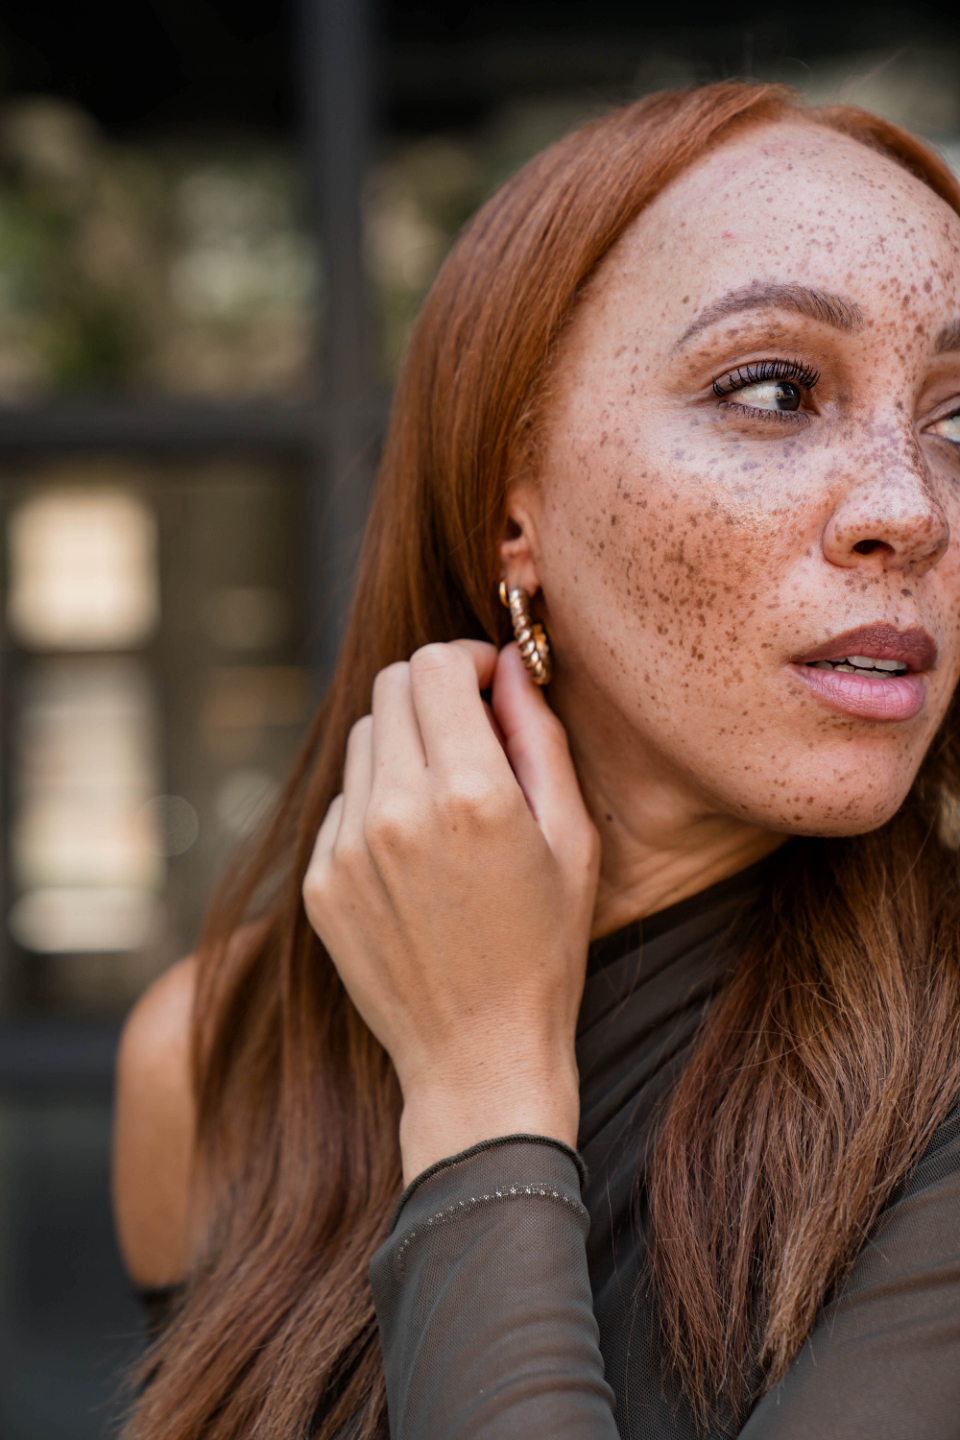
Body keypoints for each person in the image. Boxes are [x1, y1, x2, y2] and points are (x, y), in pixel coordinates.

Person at [112, 81, 960, 1439]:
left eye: (959, 421)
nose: (910, 509)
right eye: (773, 389)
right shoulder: (213, 1064)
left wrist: (479, 1091)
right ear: (517, 501)